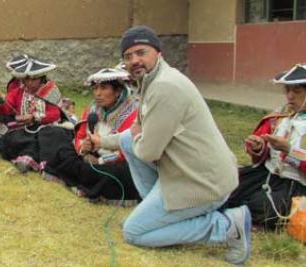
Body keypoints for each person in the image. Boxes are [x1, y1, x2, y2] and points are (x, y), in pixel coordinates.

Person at [96, 26, 251, 265]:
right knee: (128, 140)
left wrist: (138, 136)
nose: (134, 60)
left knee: (134, 232)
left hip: (202, 183)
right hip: (182, 174)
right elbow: (134, 134)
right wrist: (102, 142)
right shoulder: (151, 81)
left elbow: (148, 151)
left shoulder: (165, 87)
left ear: (158, 53)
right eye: (128, 56)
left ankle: (227, 226)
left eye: (141, 52)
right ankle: (158, 214)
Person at [224, 64, 306, 230]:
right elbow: (262, 148)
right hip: (266, 174)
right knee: (225, 187)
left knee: (262, 208)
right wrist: (259, 146)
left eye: (296, 91)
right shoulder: (280, 116)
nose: (290, 96)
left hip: (297, 183)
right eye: (287, 90)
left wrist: (289, 151)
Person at [45, 68, 140, 204]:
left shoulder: (133, 113)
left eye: (104, 88)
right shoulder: (92, 110)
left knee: (118, 174)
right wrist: (83, 148)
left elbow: (129, 149)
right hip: (90, 158)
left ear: (118, 91)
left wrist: (101, 161)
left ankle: (89, 183)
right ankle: (89, 181)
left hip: (117, 163)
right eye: (95, 89)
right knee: (62, 152)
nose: (97, 94)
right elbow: (80, 135)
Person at [0, 57, 69, 173]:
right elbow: (6, 110)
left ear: (41, 78)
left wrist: (34, 117)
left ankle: (30, 160)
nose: (29, 83)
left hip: (46, 128)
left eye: (34, 79)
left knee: (43, 139)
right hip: (25, 128)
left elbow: (55, 114)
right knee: (11, 138)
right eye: (27, 79)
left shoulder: (51, 89)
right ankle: (25, 158)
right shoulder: (19, 91)